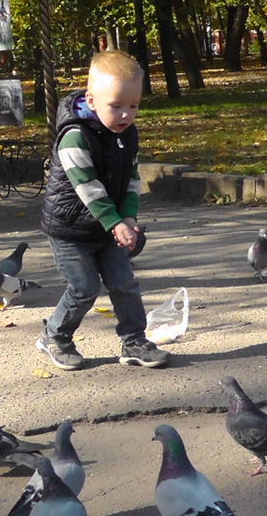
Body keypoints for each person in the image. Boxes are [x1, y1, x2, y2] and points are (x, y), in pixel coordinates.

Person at [39, 50, 170, 371]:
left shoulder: (126, 134)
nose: (126, 114)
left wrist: (128, 218)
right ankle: (55, 336)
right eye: (116, 106)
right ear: (91, 101)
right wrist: (115, 222)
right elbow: (88, 188)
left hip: (108, 226)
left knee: (124, 283)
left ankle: (134, 340)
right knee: (84, 289)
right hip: (71, 229)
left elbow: (132, 179)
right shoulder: (74, 138)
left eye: (134, 105)